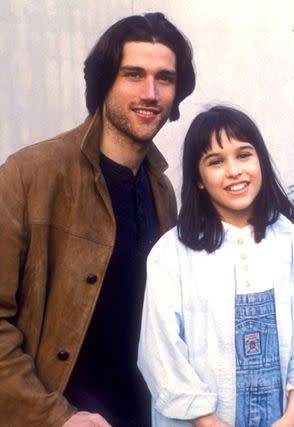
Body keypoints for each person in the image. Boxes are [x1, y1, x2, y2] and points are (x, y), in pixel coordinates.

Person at [0, 13, 195, 427]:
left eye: (165, 78)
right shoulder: (30, 174)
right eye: (133, 74)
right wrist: (55, 417)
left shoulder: (163, 192)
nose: (150, 92)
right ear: (105, 80)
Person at [137, 105, 294, 427]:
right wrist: (207, 420)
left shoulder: (292, 241)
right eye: (215, 161)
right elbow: (160, 353)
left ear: (260, 162)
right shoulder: (171, 254)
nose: (234, 171)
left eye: (244, 155)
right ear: (198, 179)